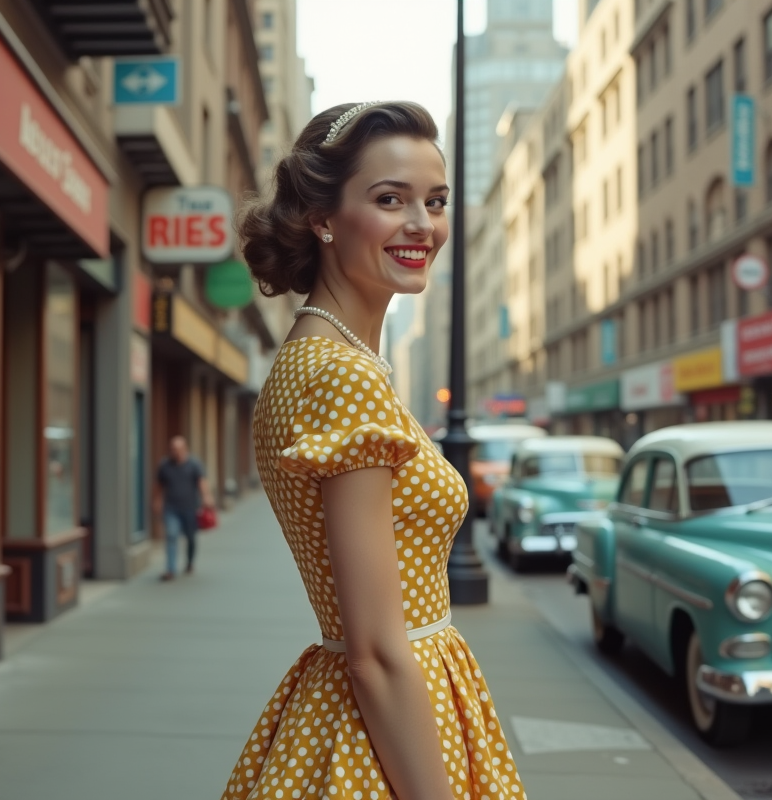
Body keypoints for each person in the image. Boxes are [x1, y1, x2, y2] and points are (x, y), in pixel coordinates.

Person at [221, 102, 526, 799]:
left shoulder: (317, 360)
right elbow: (377, 654)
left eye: (435, 201)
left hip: (372, 713)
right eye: (391, 199)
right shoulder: (342, 376)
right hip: (390, 730)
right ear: (322, 219)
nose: (422, 224)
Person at [154, 435, 213, 581]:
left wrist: (206, 497)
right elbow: (159, 485)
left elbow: (201, 482)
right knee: (171, 535)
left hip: (190, 508)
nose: (175, 452)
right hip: (171, 508)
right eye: (172, 449)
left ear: (185, 449)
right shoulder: (165, 465)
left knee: (191, 537)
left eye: (178, 449)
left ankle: (190, 561)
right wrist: (157, 500)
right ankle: (171, 569)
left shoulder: (194, 464)